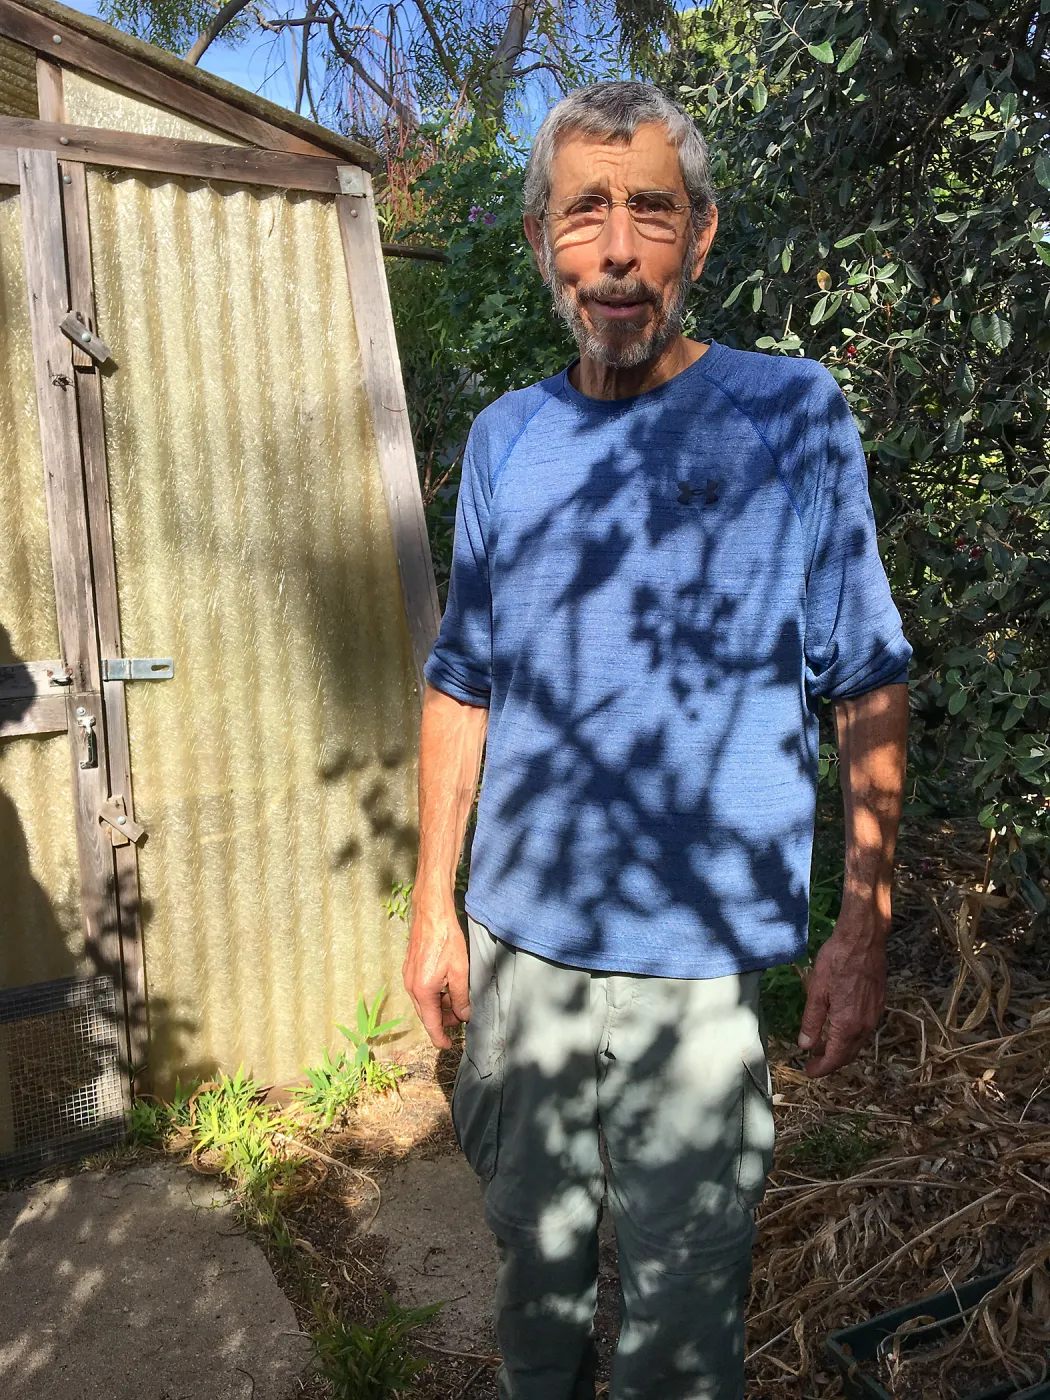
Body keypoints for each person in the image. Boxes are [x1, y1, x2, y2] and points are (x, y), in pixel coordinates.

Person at [403, 81, 911, 1400]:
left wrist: (859, 931)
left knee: (683, 1327)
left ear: (700, 235)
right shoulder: (508, 438)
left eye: (650, 210)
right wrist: (430, 905)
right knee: (529, 1280)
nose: (617, 250)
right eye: (584, 211)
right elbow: (462, 683)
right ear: (539, 243)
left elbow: (863, 679)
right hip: (518, 955)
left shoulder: (790, 414)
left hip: (694, 979)